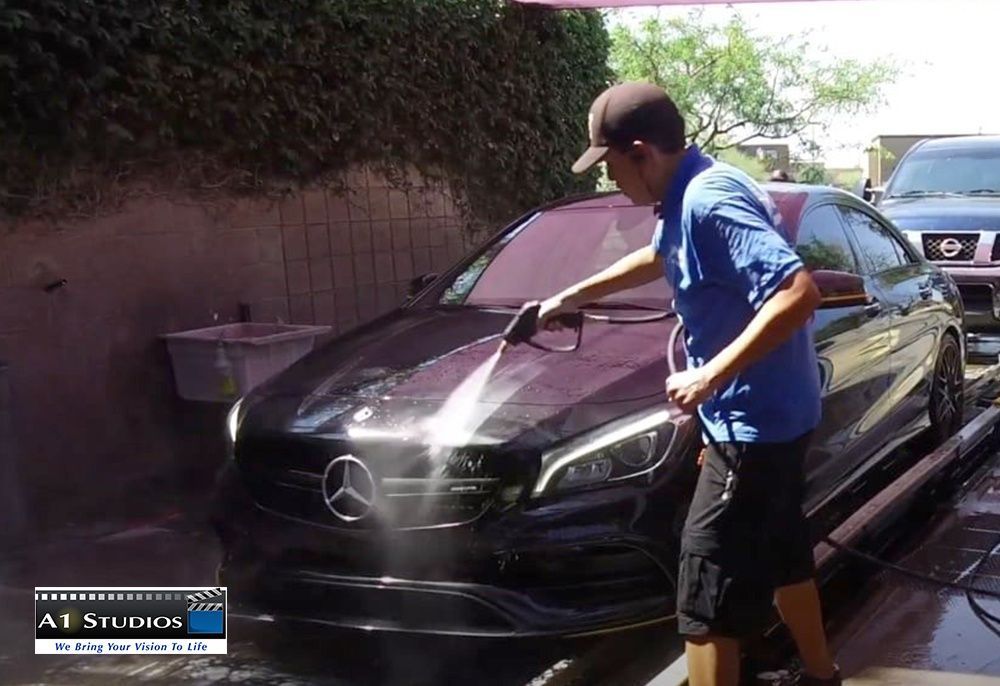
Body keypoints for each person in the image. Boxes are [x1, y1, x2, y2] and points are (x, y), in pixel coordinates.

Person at [537, 82, 840, 686]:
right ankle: (823, 675)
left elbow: (797, 293)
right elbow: (660, 255)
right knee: (783, 557)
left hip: (753, 426)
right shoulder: (689, 193)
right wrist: (570, 295)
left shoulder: (709, 199)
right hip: (775, 418)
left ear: (641, 151)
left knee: (704, 598)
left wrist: (708, 375)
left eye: (612, 166)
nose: (611, 180)